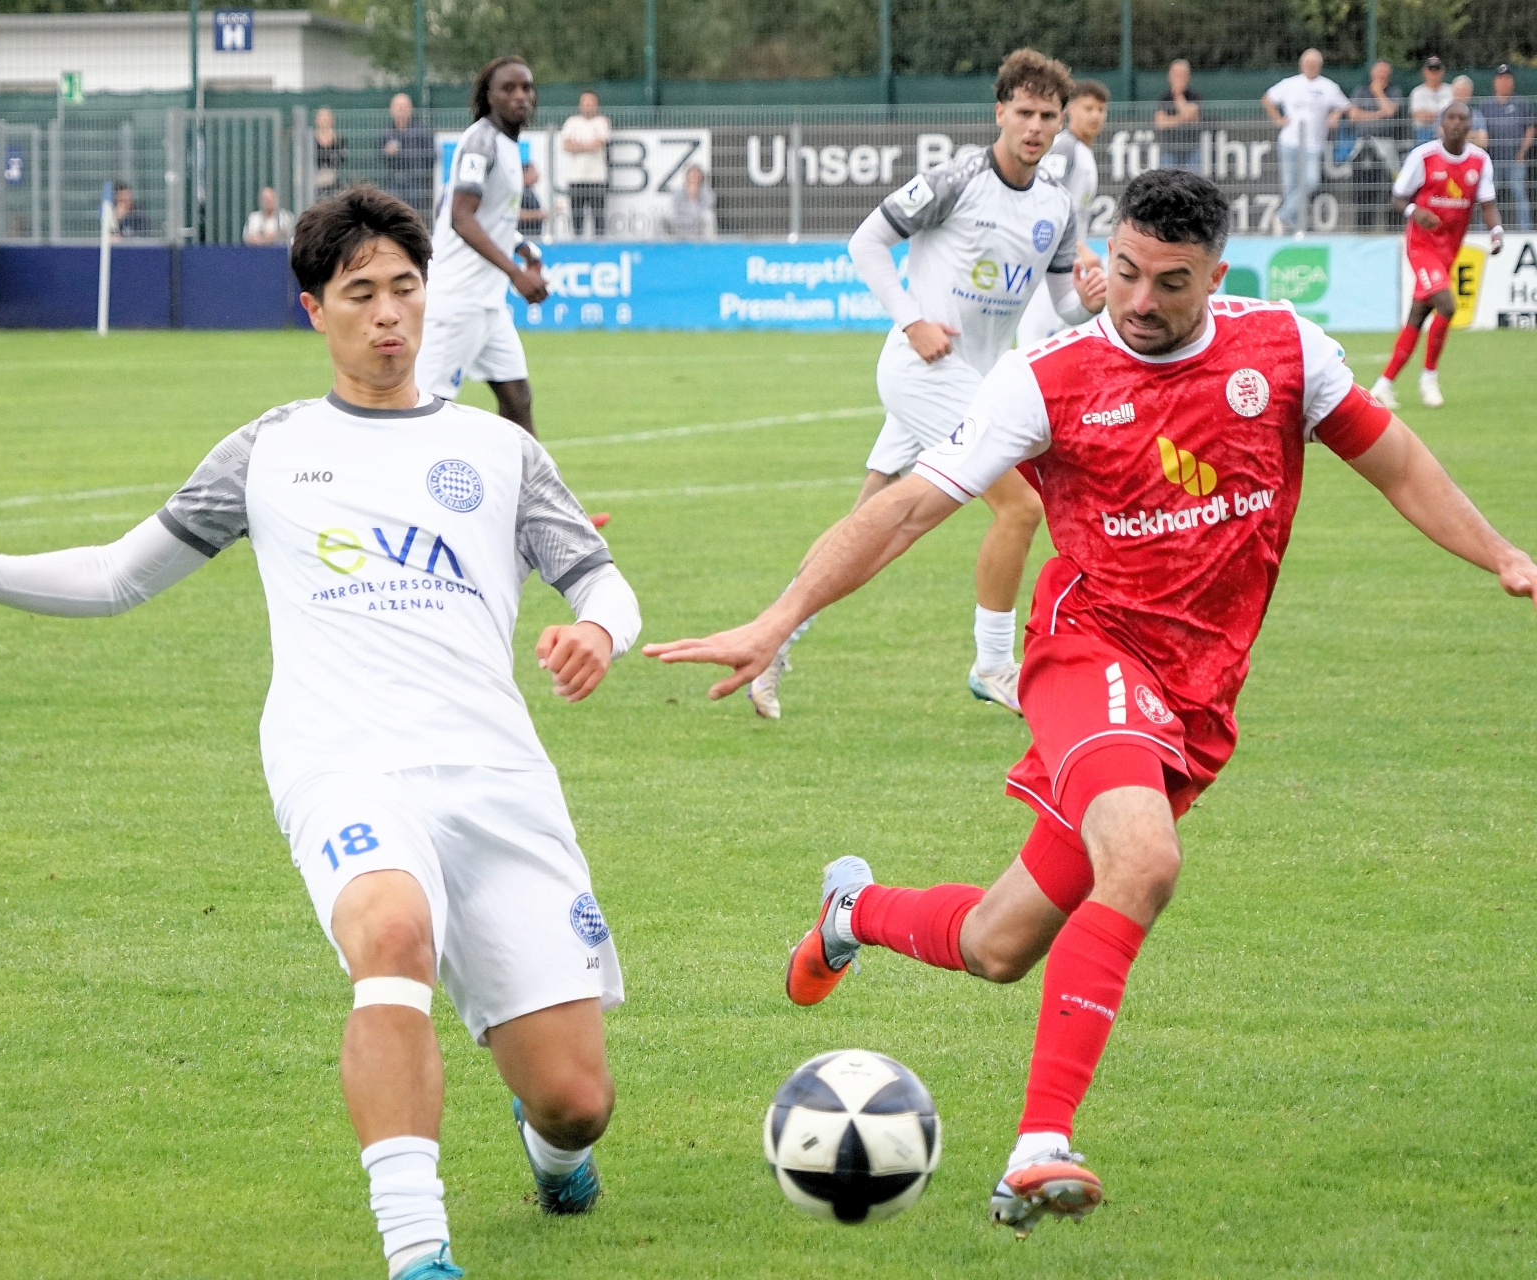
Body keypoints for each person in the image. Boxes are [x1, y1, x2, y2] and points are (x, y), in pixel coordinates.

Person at [645, 167, 1537, 1239]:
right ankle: (1039, 1147)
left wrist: (1503, 554)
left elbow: (1397, 465)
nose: (1140, 300)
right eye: (1125, 271)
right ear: (1105, 256)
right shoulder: (1048, 378)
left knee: (998, 943)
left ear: (1216, 274)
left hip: (1196, 700)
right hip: (1089, 652)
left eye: (1170, 282)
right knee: (1144, 863)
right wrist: (778, 617)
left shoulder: (1283, 352)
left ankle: (853, 911)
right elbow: (909, 509)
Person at [0, 187, 640, 1280]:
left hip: (494, 771)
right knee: (391, 936)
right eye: (360, 294)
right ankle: (418, 1249)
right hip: (341, 761)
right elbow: (119, 575)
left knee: (576, 1097)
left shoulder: (497, 449)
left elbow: (604, 582)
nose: (388, 315)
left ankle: (551, 1146)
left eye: (405, 289)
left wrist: (596, 631)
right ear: (314, 308)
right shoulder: (269, 451)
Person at [748, 48, 1107, 721]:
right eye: (1024, 112)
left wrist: (1090, 301)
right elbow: (865, 243)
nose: (1035, 126)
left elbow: (1063, 303)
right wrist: (912, 322)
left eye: (1047, 116)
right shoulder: (955, 178)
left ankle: (769, 642)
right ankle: (993, 664)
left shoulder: (1057, 206)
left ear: (1060, 124)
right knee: (1021, 507)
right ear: (1000, 113)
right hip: (923, 371)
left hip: (971, 381)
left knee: (863, 525)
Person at [412, 58, 548, 433]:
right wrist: (515, 273)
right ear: (489, 96)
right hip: (457, 299)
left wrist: (524, 249)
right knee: (426, 409)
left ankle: (524, 475)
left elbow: (484, 217)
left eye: (527, 88)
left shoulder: (507, 146)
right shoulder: (481, 141)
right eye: (509, 88)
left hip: (488, 302)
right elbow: (461, 216)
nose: (520, 96)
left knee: (517, 399)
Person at [1371, 102, 1504, 411]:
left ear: (1470, 125)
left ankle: (1383, 385)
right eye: (1451, 118)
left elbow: (1488, 204)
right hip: (1421, 245)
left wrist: (1496, 232)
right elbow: (1398, 196)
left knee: (1418, 315)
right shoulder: (1424, 156)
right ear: (1441, 124)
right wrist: (1414, 211)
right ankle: (1429, 379)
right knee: (1447, 305)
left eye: (1462, 118)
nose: (1457, 123)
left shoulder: (1479, 161)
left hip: (1449, 249)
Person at [1018, 79, 1110, 347]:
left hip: (1065, 261)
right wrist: (1080, 249)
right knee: (1036, 343)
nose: (1095, 115)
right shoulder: (1065, 149)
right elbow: (1045, 202)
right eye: (1088, 108)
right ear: (1069, 111)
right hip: (1048, 263)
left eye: (1100, 110)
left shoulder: (1082, 152)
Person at [1263, 49, 1348, 236]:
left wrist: (1335, 115)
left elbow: (1344, 105)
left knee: (1311, 180)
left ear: (1319, 66)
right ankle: (1294, 229)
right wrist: (1278, 119)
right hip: (1289, 141)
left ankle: (1282, 216)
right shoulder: (1290, 84)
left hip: (1313, 145)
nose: (1311, 67)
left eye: (1314, 64)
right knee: (1290, 186)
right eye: (1308, 63)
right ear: (1302, 65)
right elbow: (1268, 98)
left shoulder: (1328, 86)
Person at [1472, 65, 1533, 231]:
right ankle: (1482, 230)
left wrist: (1523, 151)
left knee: (1519, 194)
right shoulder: (1485, 105)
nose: (1504, 82)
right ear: (1495, 82)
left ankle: (1525, 229)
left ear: (1512, 81)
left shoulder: (1521, 103)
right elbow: (1478, 130)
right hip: (1491, 160)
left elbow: (1530, 128)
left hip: (1515, 159)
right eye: (1500, 78)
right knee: (1486, 196)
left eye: (1507, 78)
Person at [1346, 60, 1403, 230]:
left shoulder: (1394, 92)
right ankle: (1363, 229)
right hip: (1362, 144)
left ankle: (1391, 228)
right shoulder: (1360, 91)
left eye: (1385, 72)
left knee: (1391, 187)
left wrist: (1378, 93)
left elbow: (1390, 111)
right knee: (1363, 190)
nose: (1381, 75)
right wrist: (1377, 115)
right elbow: (1353, 115)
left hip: (1386, 144)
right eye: (1379, 71)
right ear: (1372, 73)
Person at [559, 91, 610, 238]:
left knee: (598, 216)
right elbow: (566, 145)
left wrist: (578, 146)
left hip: (596, 178)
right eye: (585, 102)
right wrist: (587, 146)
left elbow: (599, 143)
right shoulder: (572, 122)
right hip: (576, 178)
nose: (587, 106)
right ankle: (577, 243)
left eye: (590, 102)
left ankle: (600, 243)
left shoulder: (601, 122)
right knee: (576, 217)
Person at [378, 92, 435, 217]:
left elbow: (431, 154)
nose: (400, 110)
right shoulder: (387, 132)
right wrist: (386, 151)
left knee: (413, 213)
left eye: (404, 106)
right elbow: (379, 152)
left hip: (416, 180)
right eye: (397, 106)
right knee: (393, 212)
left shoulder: (422, 131)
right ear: (391, 109)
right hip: (394, 179)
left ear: (411, 109)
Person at [1153, 60, 1202, 171]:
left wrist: (1178, 95)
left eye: (1182, 74)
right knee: (1167, 180)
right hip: (1169, 150)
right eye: (1176, 74)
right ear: (1169, 76)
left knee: (1192, 180)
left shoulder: (1194, 96)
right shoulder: (1164, 97)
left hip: (1191, 149)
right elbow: (1160, 123)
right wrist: (1183, 118)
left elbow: (1191, 115)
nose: (1179, 78)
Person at [661, 163, 716, 239]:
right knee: (663, 216)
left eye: (696, 176)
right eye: (691, 176)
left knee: (709, 216)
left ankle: (707, 243)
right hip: (678, 225)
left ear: (701, 178)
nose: (694, 179)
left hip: (697, 228)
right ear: (686, 177)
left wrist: (693, 198)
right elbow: (675, 211)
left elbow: (703, 212)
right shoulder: (677, 192)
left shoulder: (708, 194)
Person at [1410, 57, 1453, 144]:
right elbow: (1418, 115)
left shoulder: (1451, 90)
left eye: (1437, 70)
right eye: (1431, 70)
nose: (1434, 73)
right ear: (1425, 72)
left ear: (1442, 72)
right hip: (1424, 132)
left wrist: (1431, 115)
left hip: (1446, 131)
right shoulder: (1417, 92)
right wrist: (1440, 115)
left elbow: (1453, 113)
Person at [314, 108, 348, 200]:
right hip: (315, 176)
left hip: (333, 176)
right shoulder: (312, 139)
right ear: (316, 120)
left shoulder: (339, 139)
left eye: (326, 118)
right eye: (321, 118)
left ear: (332, 120)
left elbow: (341, 157)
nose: (324, 121)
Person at [518, 162, 545, 237]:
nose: (538, 175)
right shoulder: (519, 191)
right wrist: (536, 215)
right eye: (534, 172)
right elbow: (515, 213)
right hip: (524, 234)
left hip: (534, 234)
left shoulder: (529, 191)